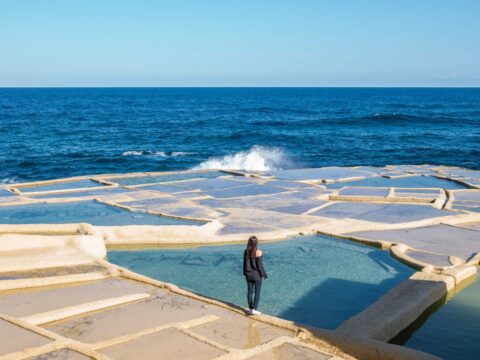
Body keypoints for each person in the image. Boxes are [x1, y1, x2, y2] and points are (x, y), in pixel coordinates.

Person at [243, 235, 268, 315]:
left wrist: (244, 273)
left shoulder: (246, 251)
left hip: (248, 275)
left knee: (249, 292)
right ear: (256, 243)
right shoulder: (258, 252)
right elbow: (260, 266)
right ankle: (254, 309)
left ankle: (250, 308)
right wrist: (265, 275)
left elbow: (244, 264)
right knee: (257, 292)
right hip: (257, 276)